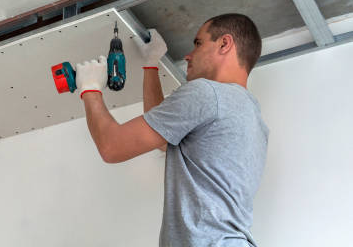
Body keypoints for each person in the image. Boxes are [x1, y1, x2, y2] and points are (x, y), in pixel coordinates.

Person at [76, 13, 268, 246]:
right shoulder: (251, 116)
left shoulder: (207, 93)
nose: (188, 55)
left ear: (224, 43)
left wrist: (90, 89)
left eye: (198, 43)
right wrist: (150, 65)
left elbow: (112, 146)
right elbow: (163, 137)